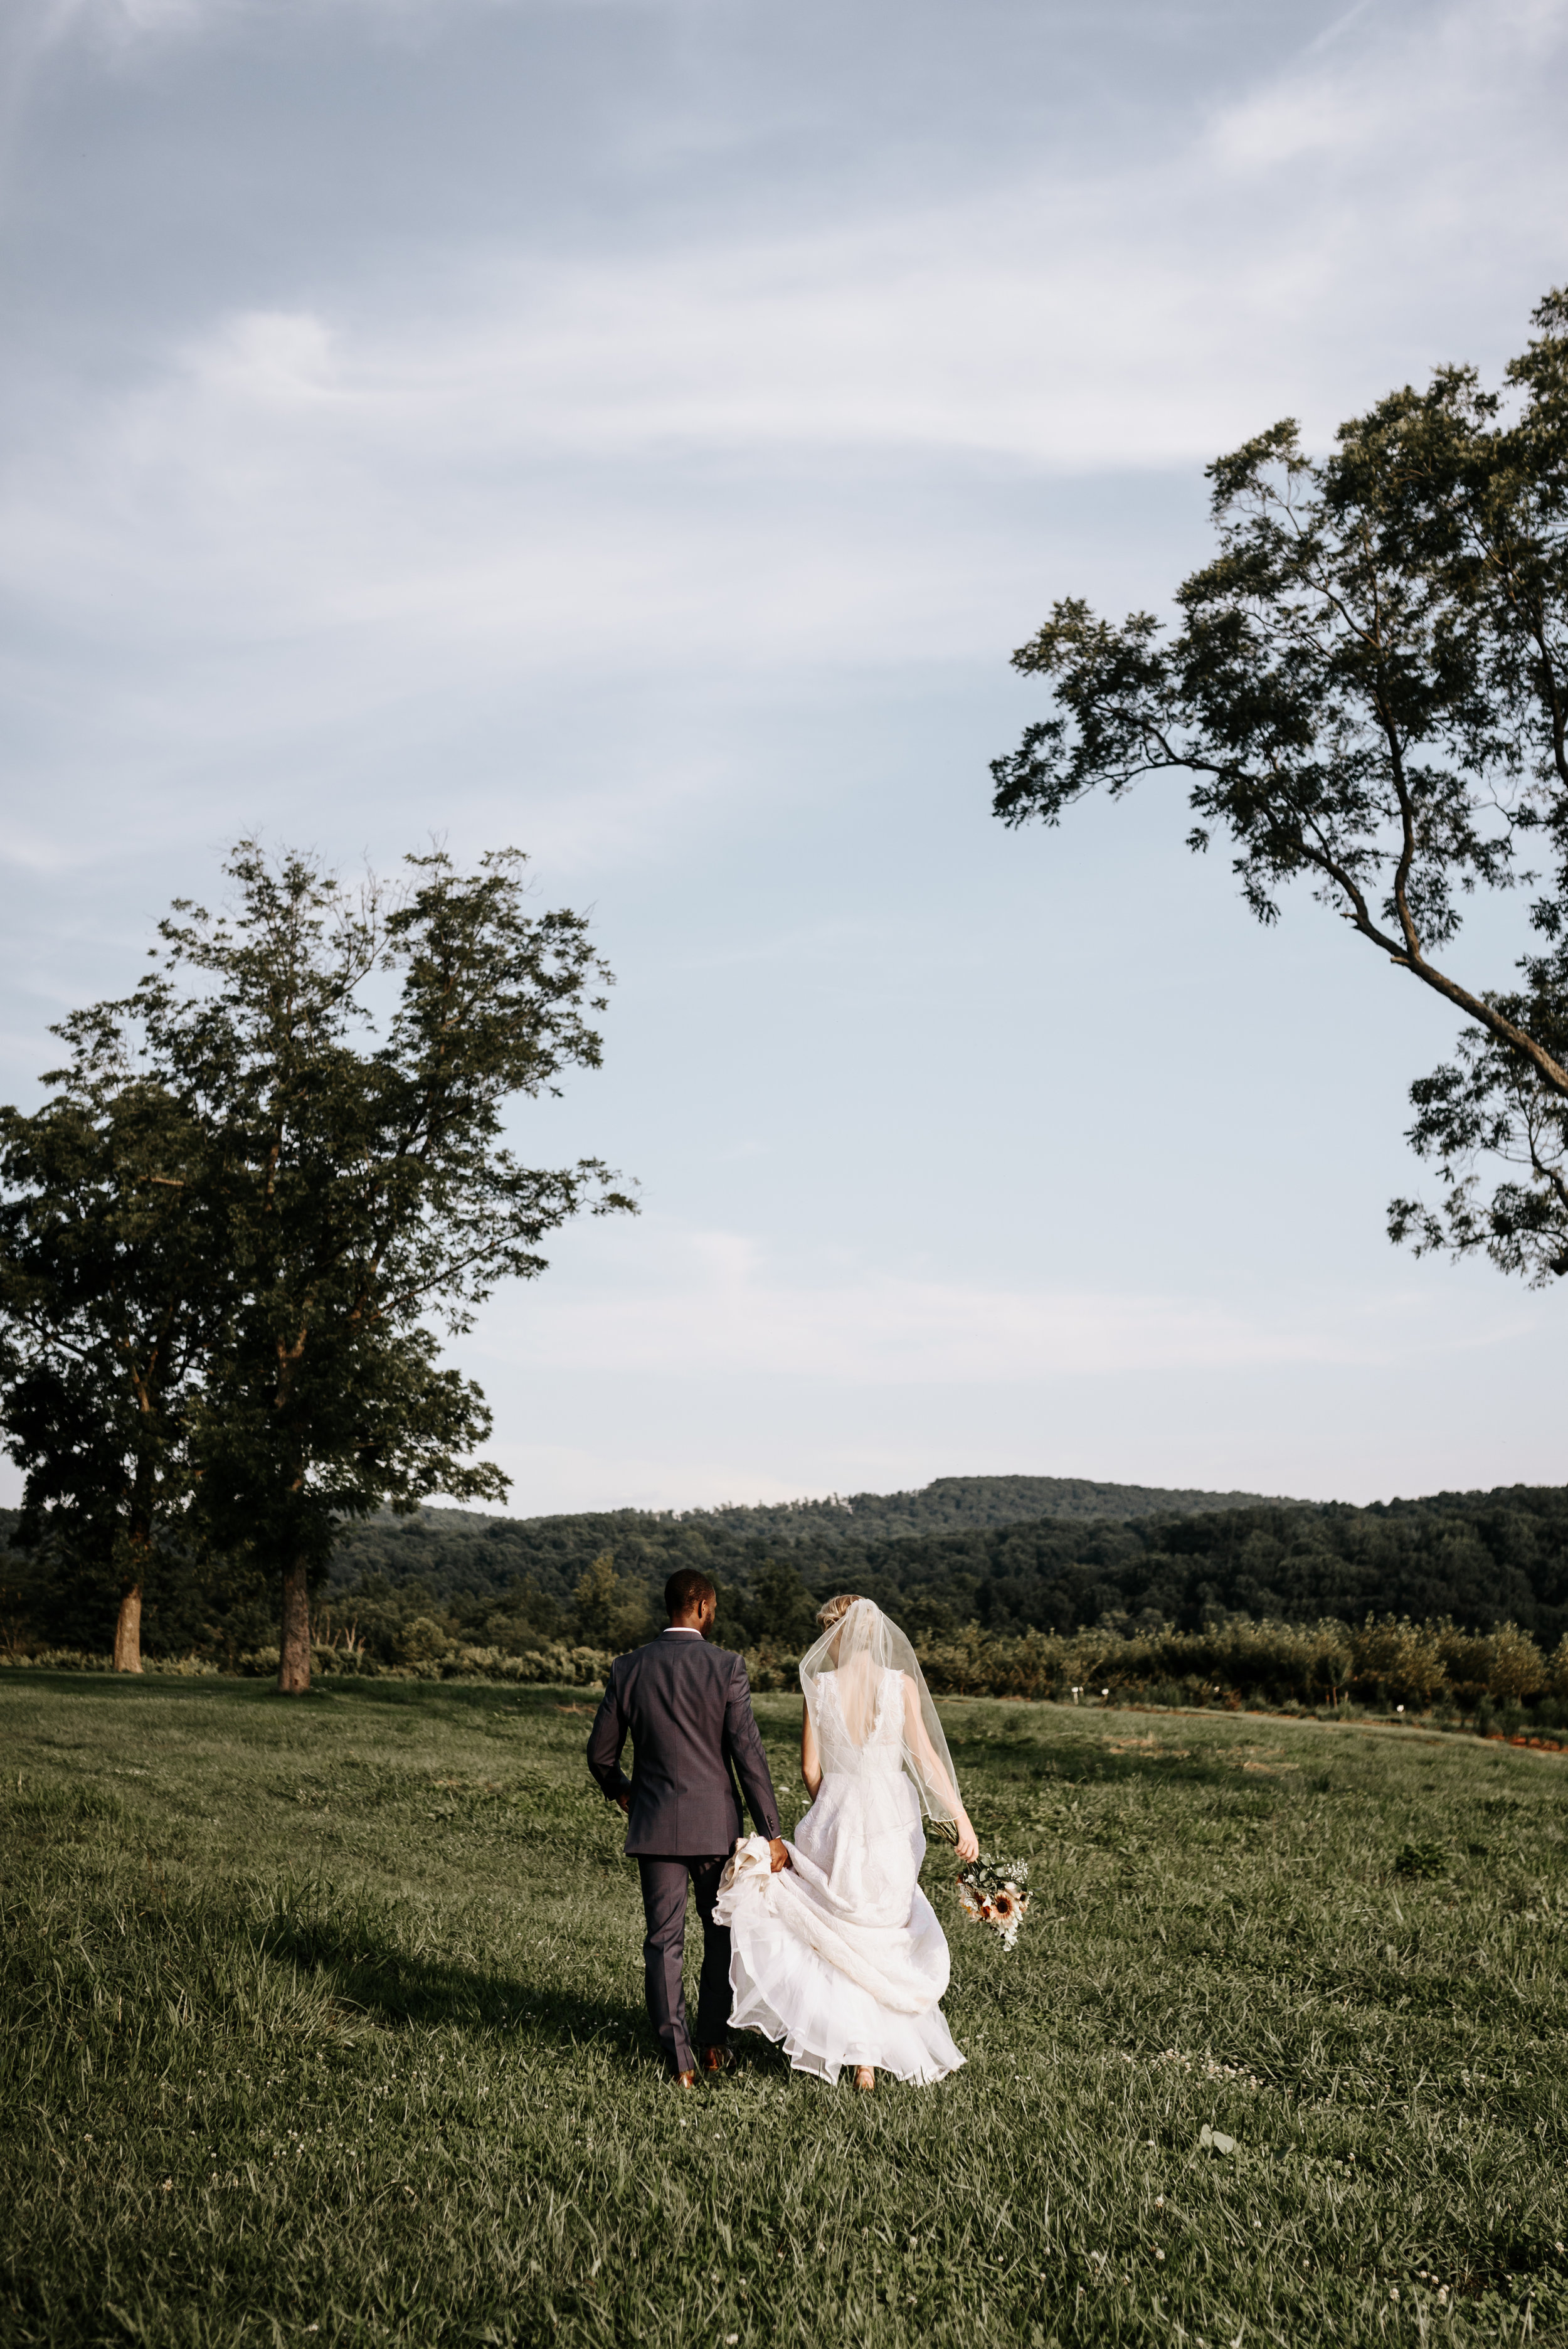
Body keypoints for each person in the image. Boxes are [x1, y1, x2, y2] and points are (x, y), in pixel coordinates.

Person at [714, 1591, 979, 2091]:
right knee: (880, 1931)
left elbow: (810, 1767)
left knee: (841, 1932)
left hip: (835, 1817)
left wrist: (832, 1806)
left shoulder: (820, 1687)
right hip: (892, 1821)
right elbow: (925, 1756)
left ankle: (857, 2057)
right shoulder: (900, 1685)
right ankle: (869, 2056)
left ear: (837, 1635)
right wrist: (961, 1819)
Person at [587, 1567, 789, 2088]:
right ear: (700, 1606)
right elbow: (749, 1756)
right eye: (714, 1605)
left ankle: (678, 2061)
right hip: (716, 1828)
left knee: (662, 1941)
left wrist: (624, 1791)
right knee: (720, 1932)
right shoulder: (726, 1667)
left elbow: (600, 1755)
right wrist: (771, 1832)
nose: (714, 1613)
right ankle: (714, 2043)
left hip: (654, 1825)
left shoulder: (628, 1667)